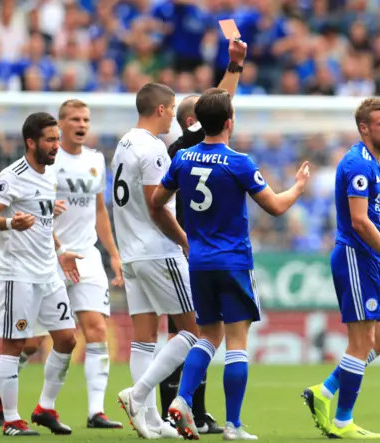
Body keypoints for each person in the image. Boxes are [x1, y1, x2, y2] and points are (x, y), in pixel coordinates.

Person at [152, 88, 311, 440]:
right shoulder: (239, 162)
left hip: (199, 261)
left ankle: (180, 400)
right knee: (236, 341)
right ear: (229, 122)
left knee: (207, 335)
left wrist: (184, 238)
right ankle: (234, 426)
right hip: (234, 260)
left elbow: (156, 202)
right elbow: (275, 206)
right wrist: (298, 187)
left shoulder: (182, 159)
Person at [0, 100, 125, 430]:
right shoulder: (37, 168)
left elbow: (99, 210)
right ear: (59, 126)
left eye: (86, 119)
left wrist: (113, 253)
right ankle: (2, 400)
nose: (82, 124)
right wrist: (22, 226)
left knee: (85, 333)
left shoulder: (93, 160)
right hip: (36, 263)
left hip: (80, 256)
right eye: (75, 119)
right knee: (29, 344)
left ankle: (87, 411)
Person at [302, 97, 380, 439]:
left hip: (368, 257)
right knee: (360, 341)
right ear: (365, 128)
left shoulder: (373, 163)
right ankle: (342, 421)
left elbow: (378, 213)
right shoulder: (357, 164)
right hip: (354, 257)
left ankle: (323, 392)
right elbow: (359, 222)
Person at [159, 36, 247, 435]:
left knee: (192, 333)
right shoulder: (196, 147)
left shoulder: (180, 152)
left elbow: (156, 200)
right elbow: (221, 104)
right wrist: (234, 67)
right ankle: (179, 408)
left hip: (188, 249)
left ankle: (188, 408)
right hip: (195, 248)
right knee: (194, 334)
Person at [0, 112, 82, 436]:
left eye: (57, 139)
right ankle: (11, 419)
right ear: (31, 142)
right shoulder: (12, 175)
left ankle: (45, 408)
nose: (57, 146)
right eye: (50, 140)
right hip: (18, 275)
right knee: (16, 344)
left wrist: (59, 250)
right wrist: (11, 223)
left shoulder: (48, 177)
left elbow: (43, 224)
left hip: (48, 272)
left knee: (66, 339)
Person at [112, 82, 199, 440]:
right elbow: (156, 205)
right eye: (172, 109)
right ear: (162, 110)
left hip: (132, 252)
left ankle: (150, 420)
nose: (173, 120)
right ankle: (139, 394)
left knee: (144, 340)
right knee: (196, 331)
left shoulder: (123, 143)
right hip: (157, 251)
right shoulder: (153, 148)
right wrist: (184, 240)